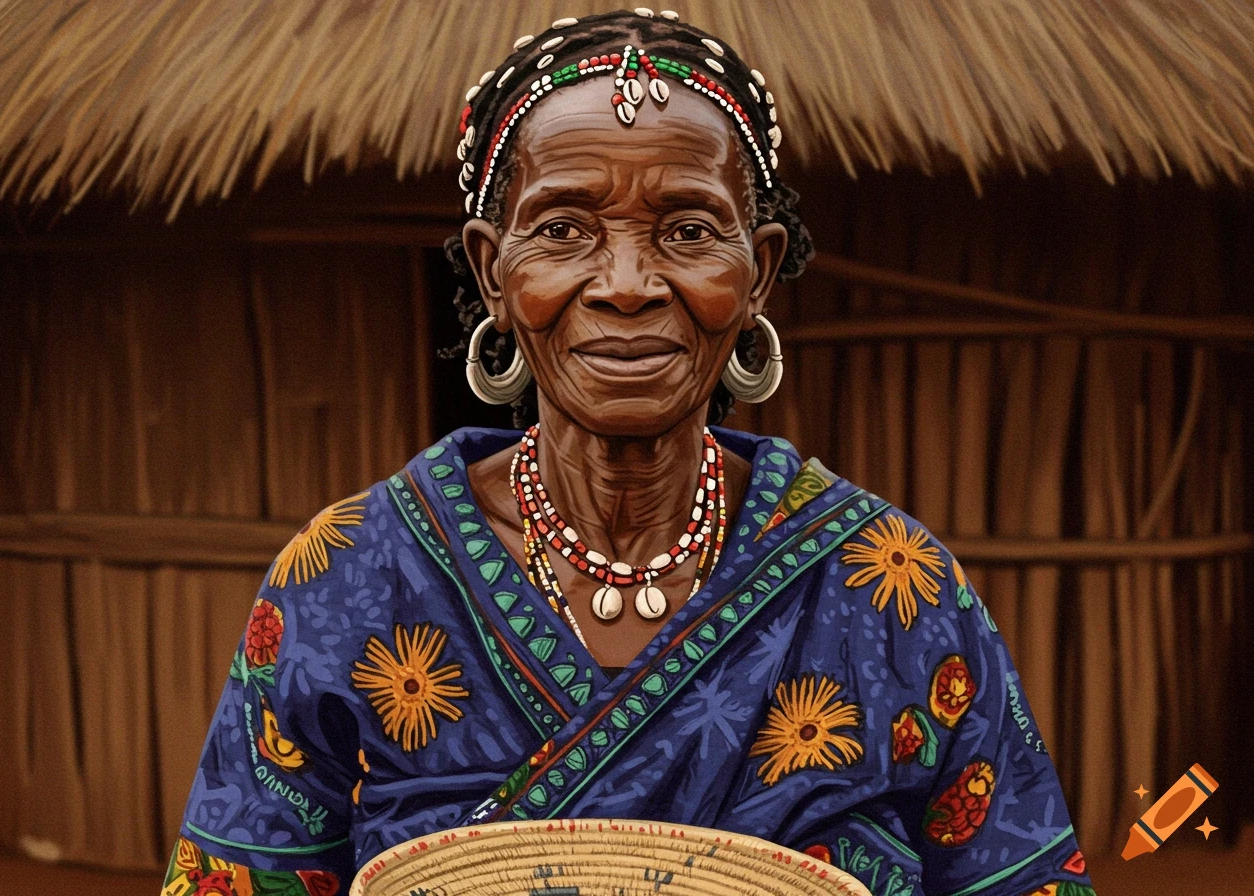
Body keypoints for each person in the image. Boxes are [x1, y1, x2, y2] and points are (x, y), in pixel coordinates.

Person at [164, 10, 1097, 896]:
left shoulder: (890, 589)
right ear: (495, 270)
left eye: (688, 231)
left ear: (758, 270)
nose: (625, 284)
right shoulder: (350, 579)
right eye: (563, 229)